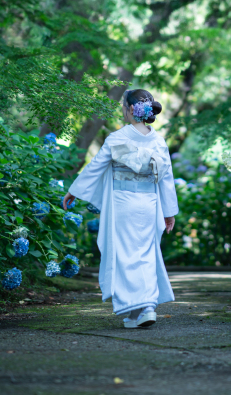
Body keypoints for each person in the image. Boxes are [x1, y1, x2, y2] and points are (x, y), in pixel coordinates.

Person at [63, 89, 178, 328]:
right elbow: (166, 179)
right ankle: (143, 310)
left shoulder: (117, 138)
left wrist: (74, 190)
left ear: (129, 109)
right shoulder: (158, 141)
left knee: (126, 256)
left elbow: (96, 166)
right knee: (145, 255)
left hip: (123, 203)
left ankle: (140, 306)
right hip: (149, 205)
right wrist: (169, 212)